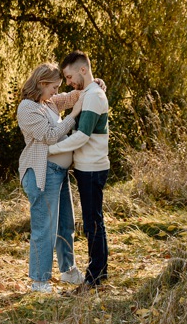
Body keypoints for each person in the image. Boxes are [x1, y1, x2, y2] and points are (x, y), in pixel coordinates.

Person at [17, 63, 87, 293]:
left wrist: (93, 85)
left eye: (58, 87)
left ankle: (68, 271)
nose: (57, 92)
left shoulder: (48, 103)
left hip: (58, 172)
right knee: (44, 227)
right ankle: (39, 281)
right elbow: (49, 135)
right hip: (42, 173)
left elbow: (71, 96)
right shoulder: (27, 108)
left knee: (65, 224)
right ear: (41, 83)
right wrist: (74, 116)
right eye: (53, 87)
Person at [49, 51, 110, 291]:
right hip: (87, 167)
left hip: (93, 168)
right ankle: (99, 273)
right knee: (94, 221)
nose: (68, 82)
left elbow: (83, 136)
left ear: (82, 70)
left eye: (69, 76)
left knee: (93, 223)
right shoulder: (88, 92)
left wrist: (52, 149)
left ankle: (94, 277)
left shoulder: (94, 95)